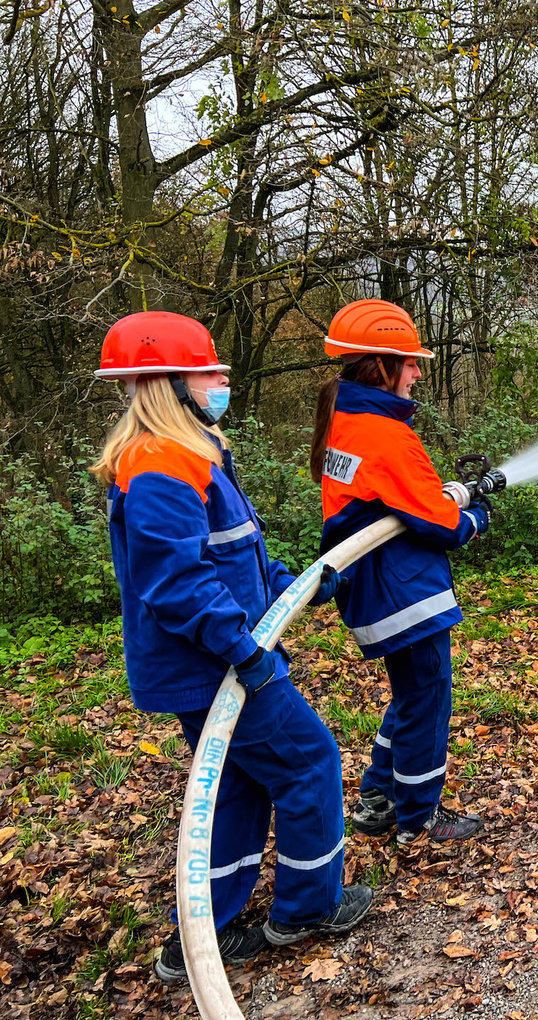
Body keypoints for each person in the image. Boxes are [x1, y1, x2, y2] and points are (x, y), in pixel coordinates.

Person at [91, 311, 373, 982]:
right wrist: (242, 650)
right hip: (216, 666)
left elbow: (238, 556)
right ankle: (306, 908)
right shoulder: (160, 463)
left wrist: (298, 586)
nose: (222, 379)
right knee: (309, 762)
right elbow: (178, 583)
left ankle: (200, 934)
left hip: (224, 659)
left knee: (239, 788)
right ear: (167, 383)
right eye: (208, 370)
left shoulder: (196, 453)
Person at [310, 299, 490, 846]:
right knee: (428, 698)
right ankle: (419, 818)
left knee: (411, 695)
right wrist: (474, 519)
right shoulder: (386, 435)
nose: (418, 370)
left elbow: (397, 502)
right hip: (403, 591)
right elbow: (437, 523)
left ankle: (378, 796)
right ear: (382, 365)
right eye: (409, 361)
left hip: (373, 589)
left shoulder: (346, 420)